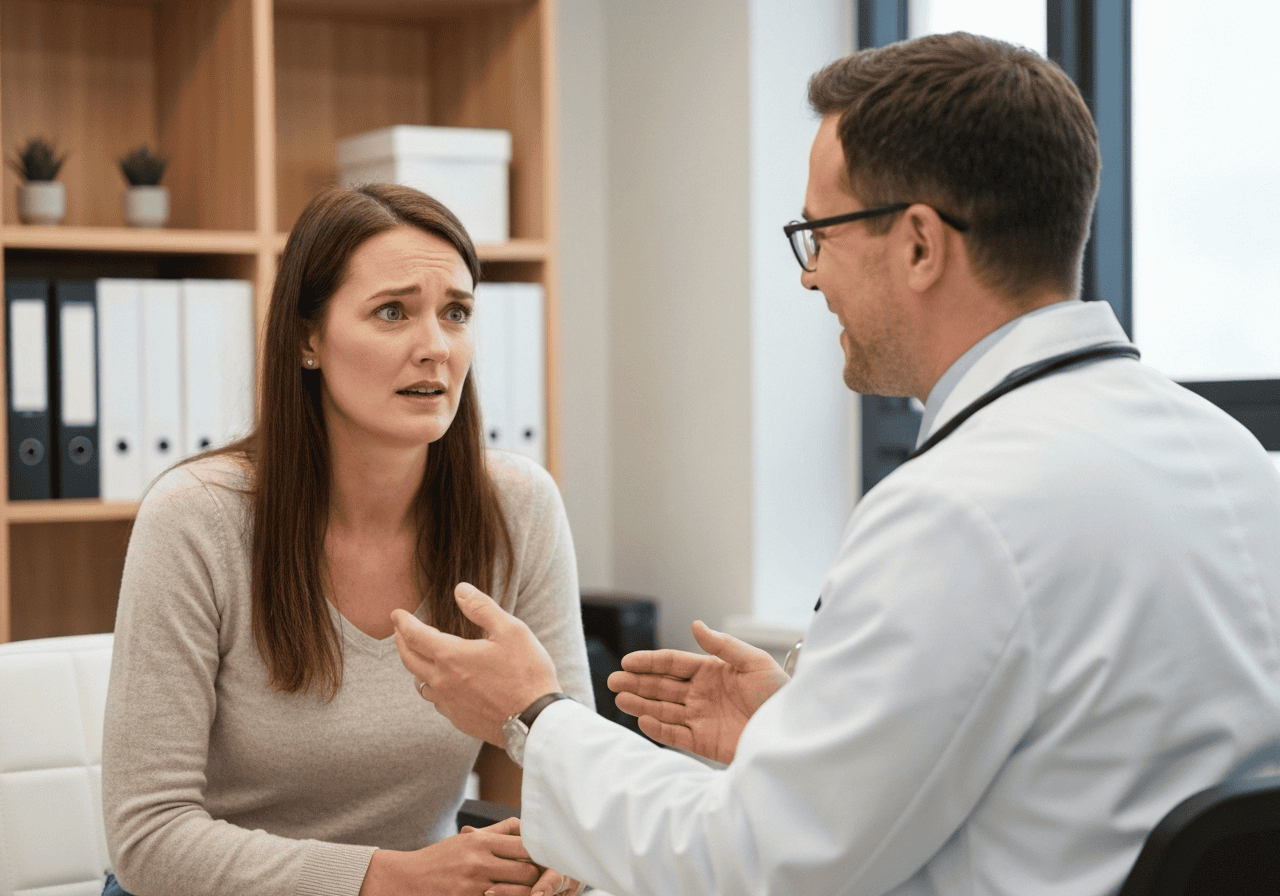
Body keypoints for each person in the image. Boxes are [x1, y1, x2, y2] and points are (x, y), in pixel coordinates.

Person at [392, 32, 1280, 896]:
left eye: (821, 233)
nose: (812, 277)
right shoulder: (1230, 455)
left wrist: (535, 717)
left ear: (921, 245)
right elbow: (1067, 769)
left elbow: (750, 865)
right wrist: (799, 728)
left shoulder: (960, 511)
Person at [101, 183, 592, 896]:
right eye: (393, 312)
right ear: (308, 339)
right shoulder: (195, 518)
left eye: (456, 313)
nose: (435, 348)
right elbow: (149, 837)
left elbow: (570, 767)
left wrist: (564, 848)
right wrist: (384, 876)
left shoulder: (518, 507)